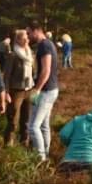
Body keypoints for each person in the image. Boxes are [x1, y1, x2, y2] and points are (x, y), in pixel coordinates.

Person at [27, 22, 60, 162]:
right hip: (51, 89)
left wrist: (37, 89)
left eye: (29, 33)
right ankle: (46, 154)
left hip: (46, 91)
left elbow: (46, 70)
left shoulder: (45, 46)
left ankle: (40, 158)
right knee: (44, 125)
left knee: (33, 126)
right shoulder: (47, 44)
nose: (28, 36)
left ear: (36, 31)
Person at [2, 29, 35, 146]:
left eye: (27, 38)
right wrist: (6, 92)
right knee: (13, 120)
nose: (27, 41)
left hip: (29, 90)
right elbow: (6, 76)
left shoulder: (30, 54)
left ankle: (24, 142)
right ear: (18, 40)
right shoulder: (13, 56)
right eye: (24, 39)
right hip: (16, 92)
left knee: (26, 119)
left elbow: (33, 72)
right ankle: (9, 144)